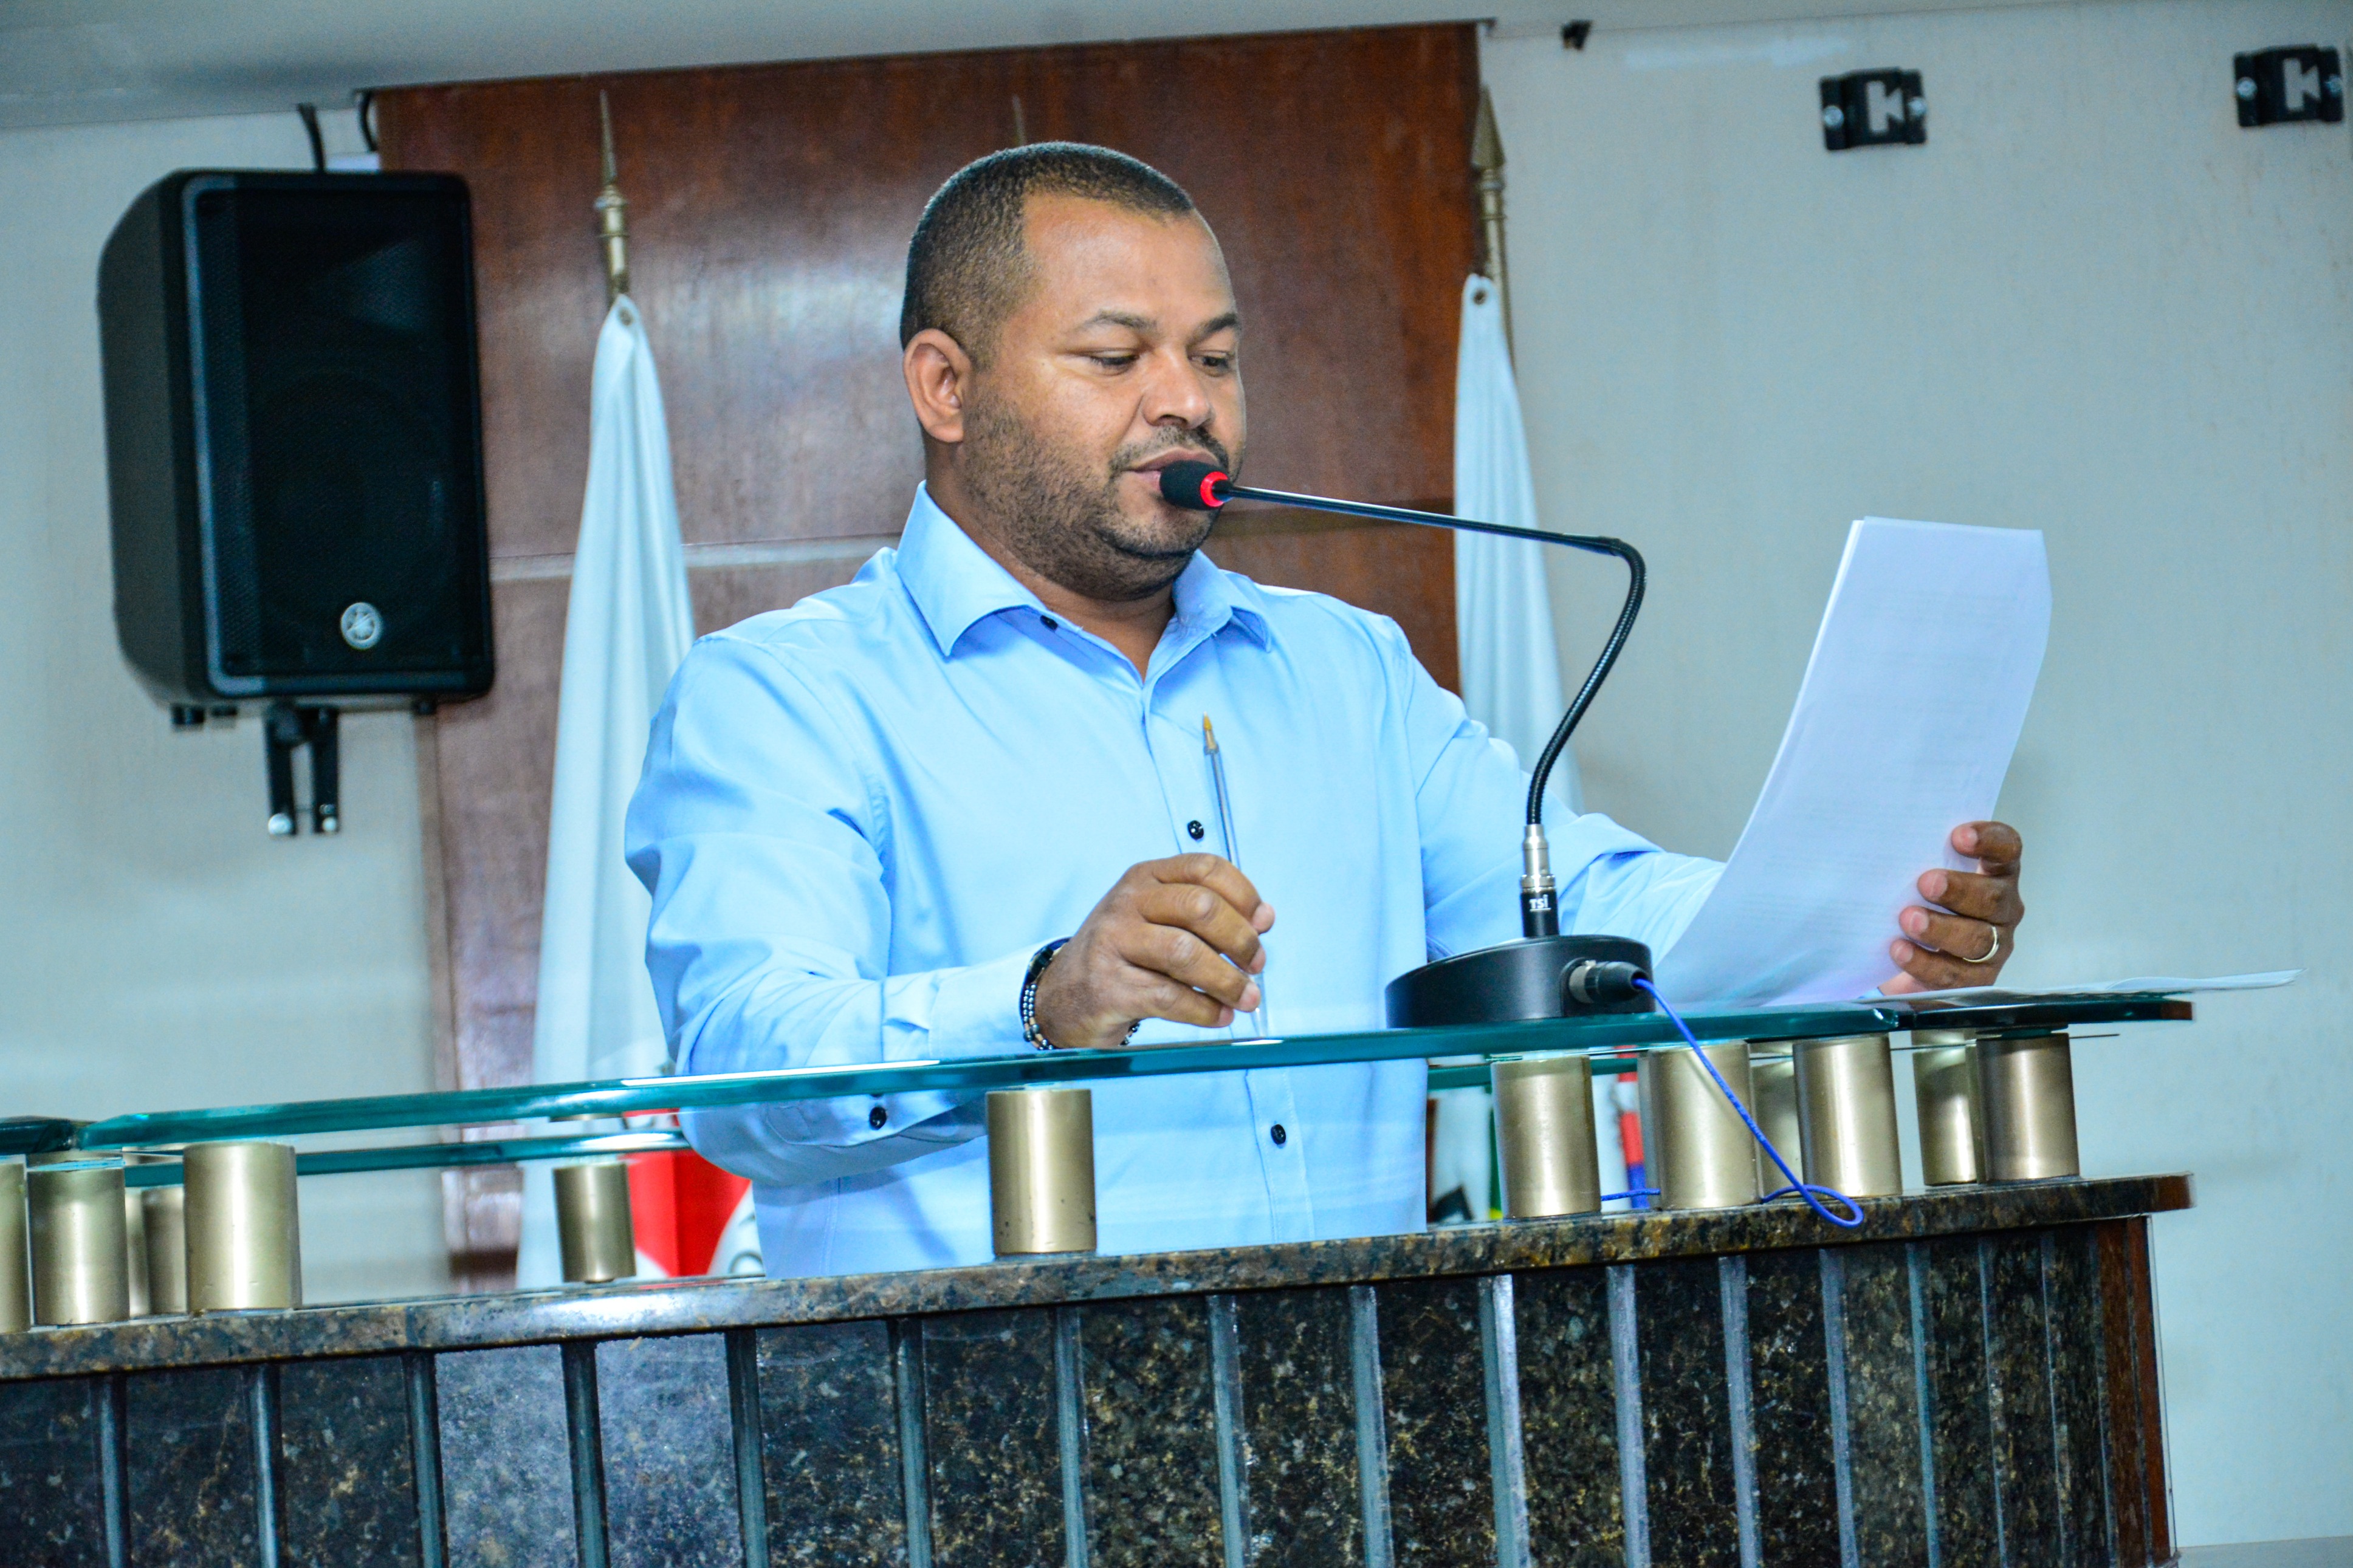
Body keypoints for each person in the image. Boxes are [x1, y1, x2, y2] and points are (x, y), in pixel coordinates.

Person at [623, 144, 2026, 1278]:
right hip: (982, 1440)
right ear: (946, 386)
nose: (1186, 403)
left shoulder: (1344, 668)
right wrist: (1046, 1000)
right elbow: (741, 1067)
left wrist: (1855, 912)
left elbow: (1578, 908)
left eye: (1215, 357)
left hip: (1354, 1414)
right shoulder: (785, 695)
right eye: (1116, 357)